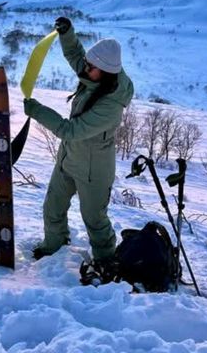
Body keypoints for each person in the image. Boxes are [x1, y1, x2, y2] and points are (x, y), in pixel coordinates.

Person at [23, 16, 134, 270]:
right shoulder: (94, 73)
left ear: (104, 73)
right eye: (86, 64)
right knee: (53, 208)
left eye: (90, 66)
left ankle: (106, 262)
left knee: (94, 219)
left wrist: (37, 111)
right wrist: (67, 33)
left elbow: (70, 130)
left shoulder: (111, 106)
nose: (83, 68)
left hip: (94, 170)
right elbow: (76, 54)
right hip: (69, 158)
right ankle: (53, 248)